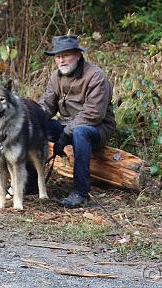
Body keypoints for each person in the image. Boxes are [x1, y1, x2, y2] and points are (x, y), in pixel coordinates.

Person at [38, 35, 116, 208]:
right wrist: (31, 117)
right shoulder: (55, 77)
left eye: (66, 55)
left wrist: (65, 135)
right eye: (58, 57)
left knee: (80, 131)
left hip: (97, 127)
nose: (61, 60)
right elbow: (47, 105)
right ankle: (30, 184)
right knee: (37, 128)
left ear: (78, 55)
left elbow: (93, 114)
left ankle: (80, 192)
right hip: (67, 124)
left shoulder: (96, 76)